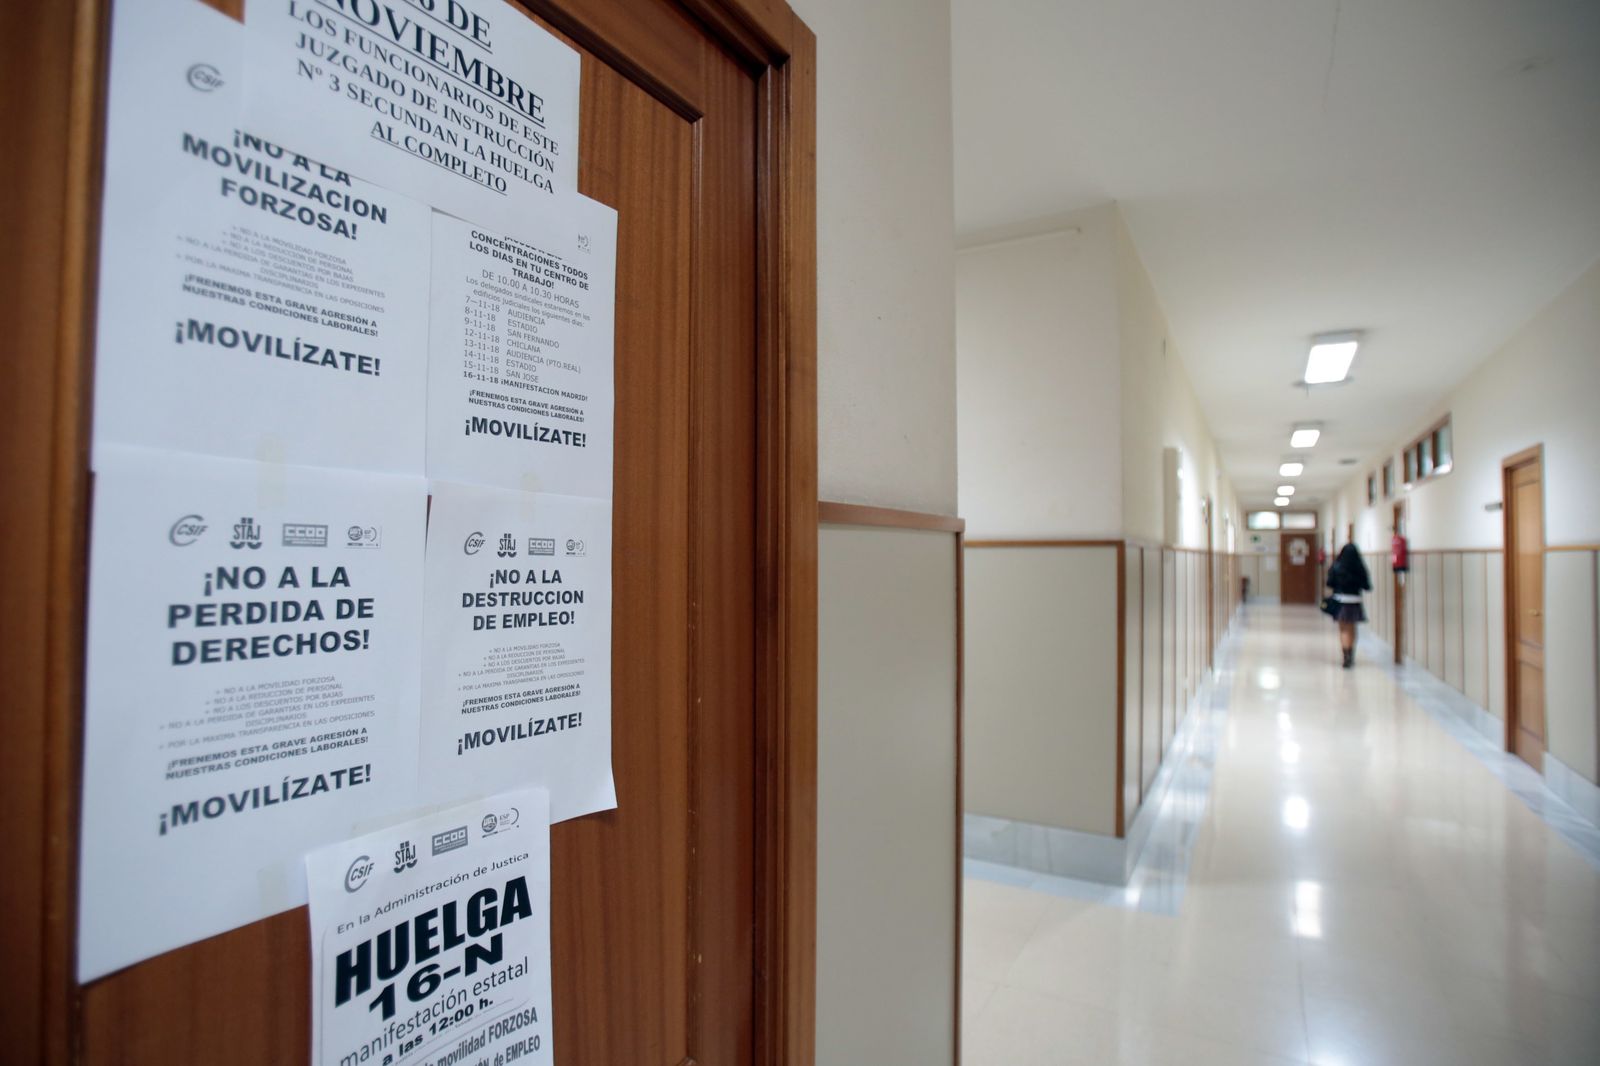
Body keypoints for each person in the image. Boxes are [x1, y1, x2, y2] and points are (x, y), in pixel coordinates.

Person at [1326, 542, 1372, 668]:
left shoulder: (1336, 566)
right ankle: (1351, 654)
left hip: (1340, 601)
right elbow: (1367, 586)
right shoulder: (1359, 567)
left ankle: (1345, 656)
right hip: (1355, 601)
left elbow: (1329, 583)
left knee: (1343, 629)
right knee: (1352, 628)